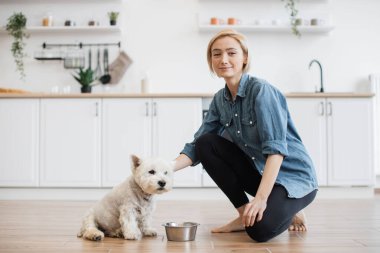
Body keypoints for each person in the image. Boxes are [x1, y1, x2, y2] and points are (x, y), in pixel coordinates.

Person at [173, 29, 318, 242]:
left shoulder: (261, 91)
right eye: (216, 54)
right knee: (207, 143)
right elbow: (197, 146)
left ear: (245, 58)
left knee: (259, 231)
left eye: (231, 53)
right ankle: (243, 215)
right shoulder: (219, 100)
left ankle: (291, 208)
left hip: (294, 179)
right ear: (210, 60)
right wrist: (163, 169)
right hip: (259, 173)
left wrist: (260, 200)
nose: (223, 60)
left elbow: (276, 151)